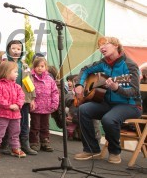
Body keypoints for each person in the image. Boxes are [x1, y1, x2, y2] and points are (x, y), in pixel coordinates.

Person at [73, 36, 142, 164]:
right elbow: (85, 69)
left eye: (105, 44)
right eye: (100, 46)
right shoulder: (103, 63)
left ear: (116, 45)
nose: (102, 48)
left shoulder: (130, 65)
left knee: (109, 119)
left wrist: (116, 88)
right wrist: (79, 84)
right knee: (83, 109)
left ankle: (115, 151)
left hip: (130, 105)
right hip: (108, 104)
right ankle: (91, 149)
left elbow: (134, 91)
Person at [4, 39, 37, 156]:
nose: (16, 51)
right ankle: (8, 144)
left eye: (18, 49)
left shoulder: (25, 65)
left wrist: (32, 98)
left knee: (23, 122)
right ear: (8, 49)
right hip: (8, 99)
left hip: (23, 99)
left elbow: (30, 82)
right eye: (13, 48)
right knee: (7, 121)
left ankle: (25, 144)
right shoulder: (4, 63)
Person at [0, 61, 26, 158]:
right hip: (2, 114)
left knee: (15, 132)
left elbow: (22, 96)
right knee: (0, 131)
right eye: (15, 71)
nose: (17, 74)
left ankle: (15, 147)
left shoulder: (17, 86)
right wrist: (9, 106)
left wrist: (18, 105)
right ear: (7, 72)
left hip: (16, 114)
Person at [29, 57, 60, 152]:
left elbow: (55, 92)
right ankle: (34, 142)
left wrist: (54, 103)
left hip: (46, 107)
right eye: (37, 66)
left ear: (46, 67)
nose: (39, 68)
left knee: (45, 126)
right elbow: (29, 91)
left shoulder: (50, 79)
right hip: (36, 107)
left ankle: (45, 142)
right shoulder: (31, 78)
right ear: (34, 67)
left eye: (42, 66)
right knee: (35, 125)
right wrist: (31, 101)